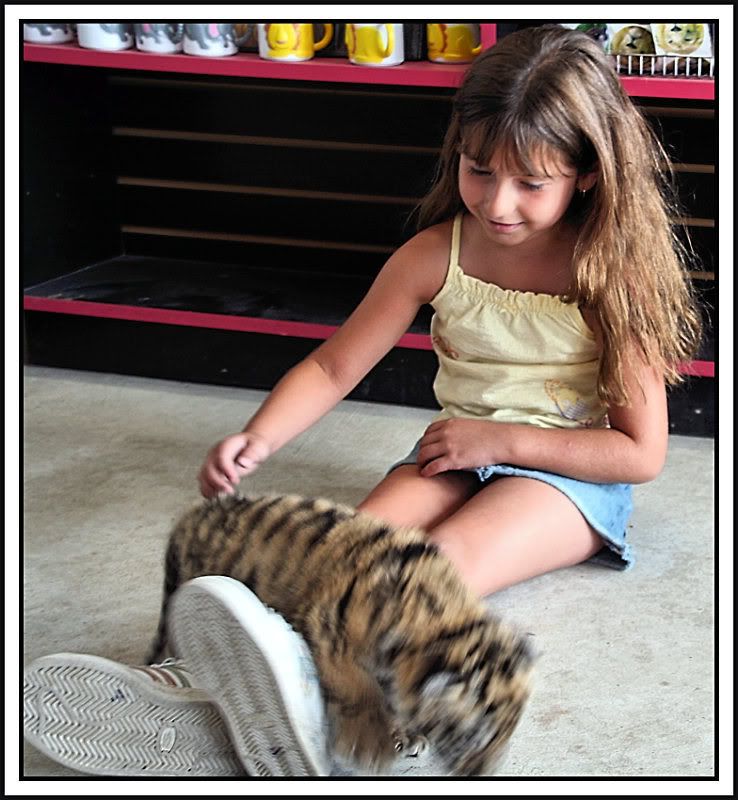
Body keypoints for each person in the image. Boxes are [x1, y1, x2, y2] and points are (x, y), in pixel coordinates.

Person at [24, 25, 702, 778]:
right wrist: (259, 438)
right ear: (459, 153)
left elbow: (640, 453)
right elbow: (333, 366)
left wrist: (498, 441)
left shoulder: (613, 274)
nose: (497, 203)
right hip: (454, 452)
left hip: (569, 479)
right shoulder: (434, 252)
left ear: (586, 173)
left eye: (530, 183)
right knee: (333, 560)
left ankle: (351, 722)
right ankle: (199, 691)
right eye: (479, 171)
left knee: (429, 572)